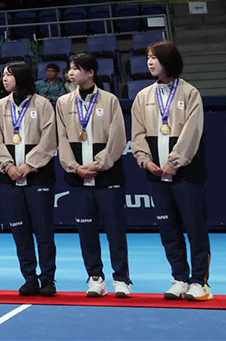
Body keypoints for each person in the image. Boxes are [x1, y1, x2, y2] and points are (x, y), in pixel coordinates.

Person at [132, 41, 211, 302]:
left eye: (155, 57)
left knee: (194, 227)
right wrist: (145, 161)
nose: (150, 62)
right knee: (168, 228)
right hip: (156, 173)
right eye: (148, 57)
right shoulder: (143, 96)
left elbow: (192, 132)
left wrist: (175, 162)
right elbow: (138, 134)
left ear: (169, 60)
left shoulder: (190, 93)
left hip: (186, 173)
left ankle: (199, 281)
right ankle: (180, 278)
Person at [56, 53, 130, 298]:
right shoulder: (63, 103)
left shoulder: (110, 100)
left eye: (76, 68)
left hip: (108, 175)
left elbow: (118, 138)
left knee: (115, 229)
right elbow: (61, 139)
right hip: (78, 177)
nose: (71, 73)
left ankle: (121, 278)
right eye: (70, 68)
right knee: (86, 230)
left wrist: (99, 165)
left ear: (91, 72)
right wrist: (75, 167)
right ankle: (95, 277)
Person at [0, 62, 59, 297]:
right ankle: (29, 277)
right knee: (20, 231)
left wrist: (29, 165)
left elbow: (49, 141)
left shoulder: (42, 105)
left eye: (9, 75)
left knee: (43, 231)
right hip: (10, 178)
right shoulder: (0, 107)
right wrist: (8, 166)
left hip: (39, 177)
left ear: (21, 77)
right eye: (3, 74)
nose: (4, 78)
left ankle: (48, 278)